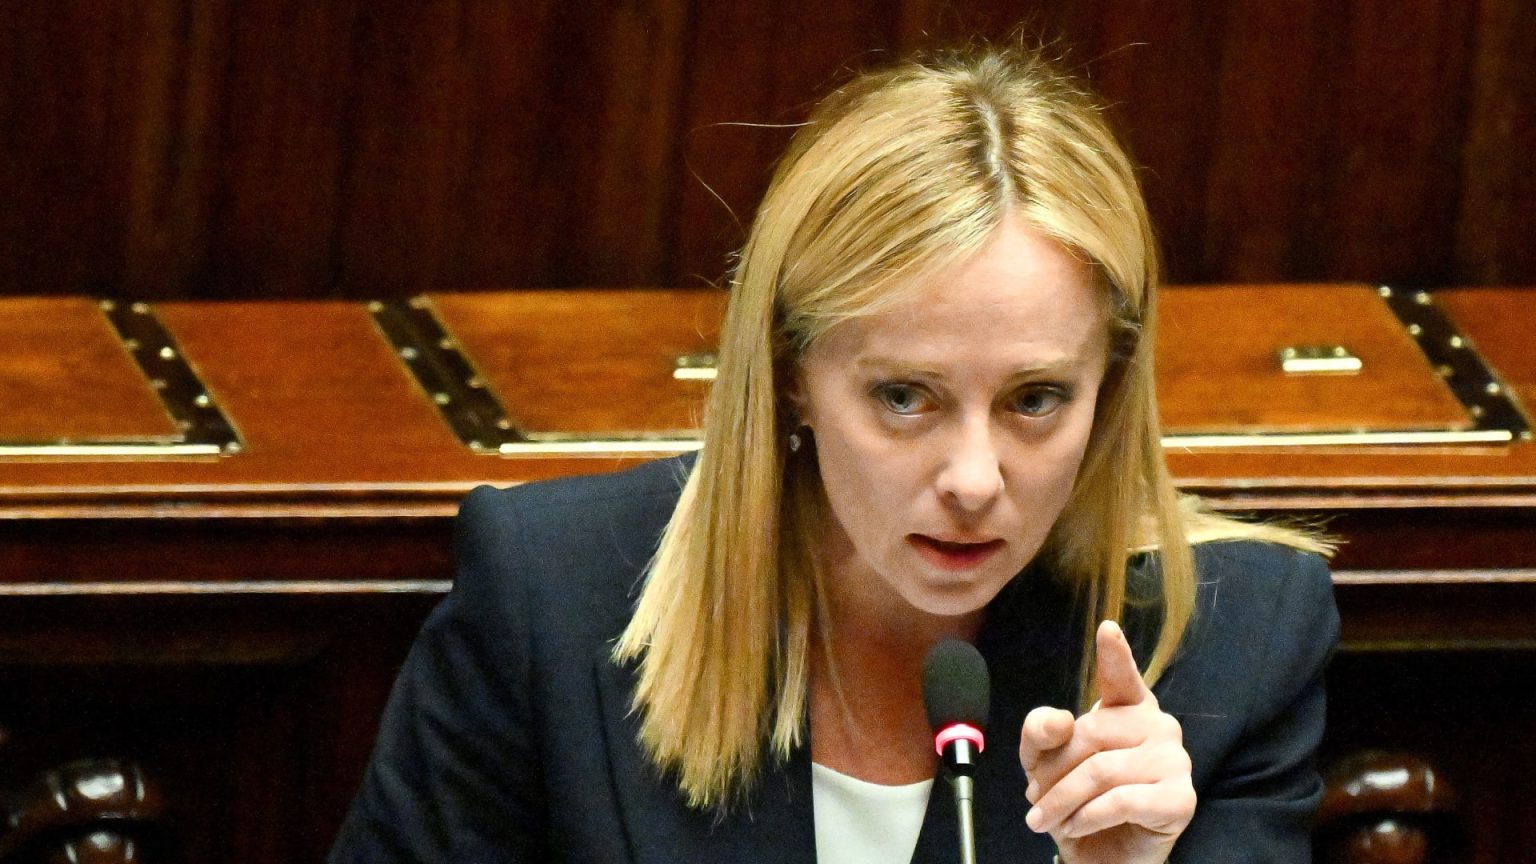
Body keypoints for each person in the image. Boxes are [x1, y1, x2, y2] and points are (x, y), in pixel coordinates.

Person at [329, 46, 1338, 864]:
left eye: (1035, 400)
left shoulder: (1227, 647)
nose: (974, 479)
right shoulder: (551, 601)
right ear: (790, 375)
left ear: (1107, 390)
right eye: (904, 397)